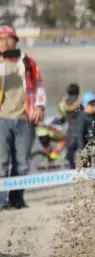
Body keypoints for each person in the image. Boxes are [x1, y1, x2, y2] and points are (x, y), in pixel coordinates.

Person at [0, 24, 45, 211]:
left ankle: (17, 198)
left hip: (24, 119)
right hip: (1, 118)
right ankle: (1, 200)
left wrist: (40, 106)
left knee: (22, 162)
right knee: (1, 161)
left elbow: (39, 83)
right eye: (0, 38)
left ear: (15, 40)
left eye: (7, 38)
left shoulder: (27, 61)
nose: (3, 42)